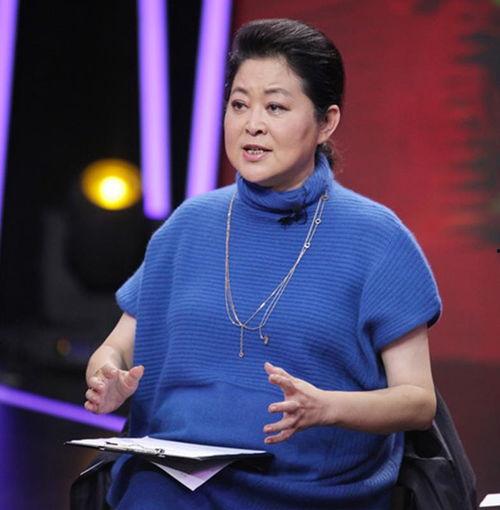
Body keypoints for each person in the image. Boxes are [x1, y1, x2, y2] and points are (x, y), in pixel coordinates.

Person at [84, 18, 441, 510]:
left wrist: (327, 407)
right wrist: (106, 376)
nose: (251, 124)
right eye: (239, 104)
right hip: (176, 484)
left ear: (326, 123)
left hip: (315, 491)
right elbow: (115, 349)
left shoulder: (377, 237)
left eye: (275, 106)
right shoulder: (188, 225)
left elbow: (419, 402)